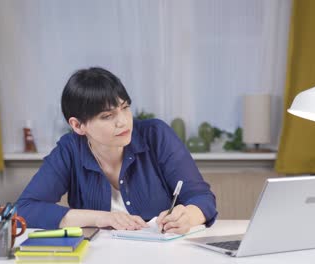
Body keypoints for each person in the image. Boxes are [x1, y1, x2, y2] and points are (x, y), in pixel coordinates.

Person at [16, 67, 217, 234]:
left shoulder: (156, 135)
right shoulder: (69, 149)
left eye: (125, 107)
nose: (122, 121)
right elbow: (26, 209)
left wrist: (188, 216)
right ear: (78, 125)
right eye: (107, 116)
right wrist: (101, 218)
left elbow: (202, 198)